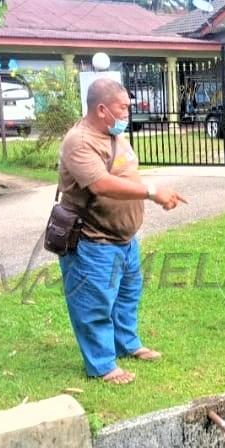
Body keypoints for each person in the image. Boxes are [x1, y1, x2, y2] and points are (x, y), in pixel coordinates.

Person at [57, 78, 186, 385]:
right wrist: (153, 191)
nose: (130, 111)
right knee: (94, 303)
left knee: (127, 296)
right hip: (92, 240)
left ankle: (126, 344)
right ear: (102, 109)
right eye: (123, 107)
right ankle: (102, 365)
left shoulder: (115, 135)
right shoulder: (79, 141)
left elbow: (126, 174)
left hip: (124, 240)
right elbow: (101, 184)